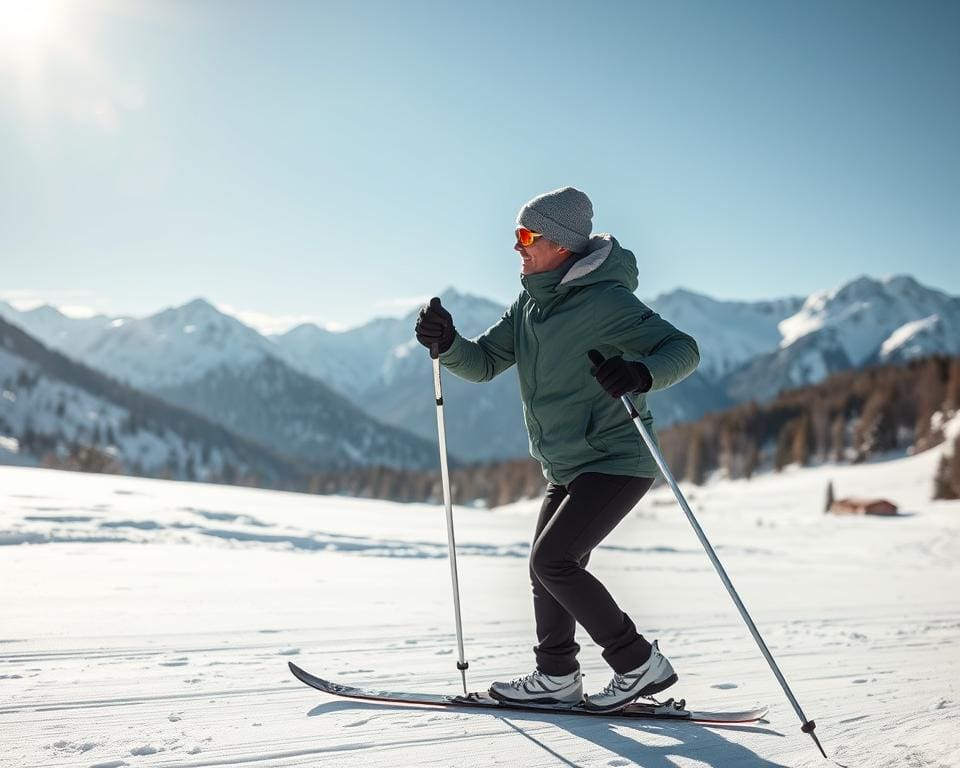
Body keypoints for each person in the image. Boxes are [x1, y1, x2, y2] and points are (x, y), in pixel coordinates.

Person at [414, 186, 700, 713]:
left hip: (616, 458)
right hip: (566, 465)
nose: (517, 247)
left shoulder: (606, 301)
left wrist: (641, 372)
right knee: (544, 565)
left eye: (528, 236)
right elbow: (481, 364)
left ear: (563, 245)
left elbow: (683, 348)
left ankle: (637, 663)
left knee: (554, 560)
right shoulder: (529, 303)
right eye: (517, 235)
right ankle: (557, 677)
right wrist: (447, 342)